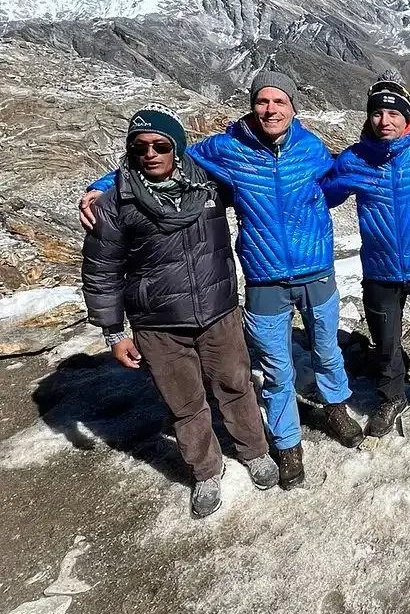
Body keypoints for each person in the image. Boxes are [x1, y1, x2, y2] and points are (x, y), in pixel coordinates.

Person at [80, 71, 362, 486]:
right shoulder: (227, 148)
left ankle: (335, 405)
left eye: (279, 101)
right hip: (265, 278)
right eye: (262, 101)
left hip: (317, 271)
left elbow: (338, 178)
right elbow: (166, 155)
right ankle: (287, 443)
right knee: (276, 366)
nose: (270, 109)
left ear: (293, 107)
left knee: (326, 350)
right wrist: (100, 187)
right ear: (253, 105)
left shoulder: (311, 147)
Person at [81, 107, 279, 518]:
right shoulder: (117, 201)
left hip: (218, 311)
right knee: (184, 402)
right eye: (139, 148)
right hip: (157, 324)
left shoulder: (209, 183)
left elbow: (250, 160)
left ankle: (254, 450)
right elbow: (101, 269)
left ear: (178, 147)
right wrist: (114, 333)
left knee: (236, 385)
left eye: (160, 145)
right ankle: (205, 470)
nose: (150, 154)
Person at [321, 76, 410, 437]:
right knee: (385, 342)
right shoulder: (354, 160)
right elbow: (322, 195)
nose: (384, 121)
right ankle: (392, 397)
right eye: (377, 113)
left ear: (407, 117)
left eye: (392, 112)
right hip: (379, 269)